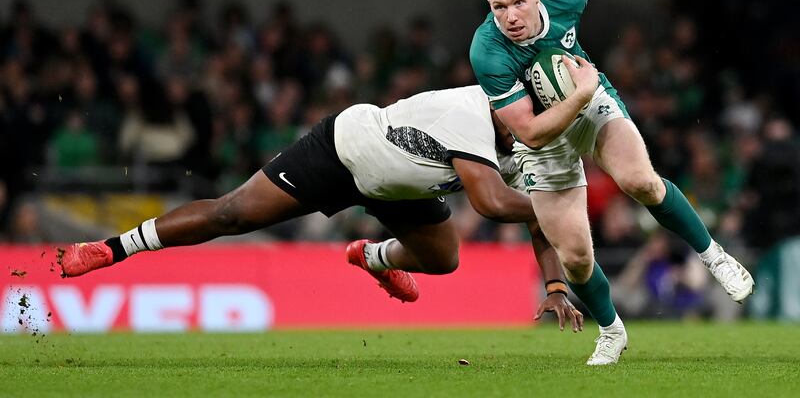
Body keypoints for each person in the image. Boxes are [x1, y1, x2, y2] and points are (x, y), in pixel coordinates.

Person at [60, 85, 585, 332]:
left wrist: (557, 285)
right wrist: (551, 209)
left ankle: (372, 258)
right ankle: (109, 249)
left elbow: (534, 215)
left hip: (399, 189)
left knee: (444, 260)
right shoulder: (475, 110)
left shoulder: (527, 146)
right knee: (231, 215)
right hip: (346, 149)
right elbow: (495, 204)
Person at [470, 0, 754, 365]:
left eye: (517, 3)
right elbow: (529, 132)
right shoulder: (487, 50)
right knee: (576, 259)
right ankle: (611, 330)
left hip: (590, 106)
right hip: (544, 139)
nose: (509, 17)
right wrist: (579, 91)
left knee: (640, 180)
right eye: (498, 7)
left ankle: (714, 256)